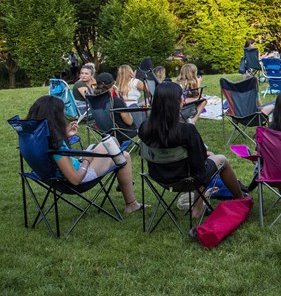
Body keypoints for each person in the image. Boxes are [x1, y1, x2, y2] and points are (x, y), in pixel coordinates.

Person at [138, 82, 245, 218]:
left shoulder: (144, 127)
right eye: (181, 96)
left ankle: (199, 207)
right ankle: (240, 199)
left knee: (208, 158)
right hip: (185, 179)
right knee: (221, 159)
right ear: (177, 102)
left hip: (159, 176)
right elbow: (199, 162)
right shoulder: (186, 130)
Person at [27, 95, 145, 214]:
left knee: (121, 154)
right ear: (55, 117)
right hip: (80, 176)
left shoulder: (35, 138)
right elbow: (75, 180)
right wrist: (86, 160)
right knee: (114, 147)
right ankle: (129, 199)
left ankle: (131, 202)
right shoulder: (55, 146)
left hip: (58, 175)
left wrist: (65, 135)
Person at [93, 72, 138, 142]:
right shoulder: (116, 101)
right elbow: (129, 122)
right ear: (112, 85)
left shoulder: (93, 101)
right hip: (123, 133)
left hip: (105, 133)